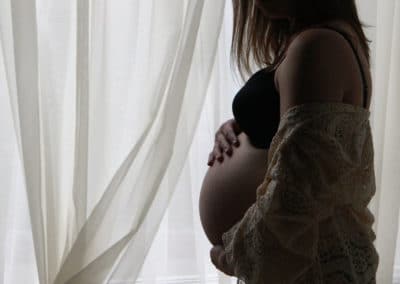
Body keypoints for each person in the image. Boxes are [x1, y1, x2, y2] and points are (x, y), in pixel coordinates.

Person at [208, 0, 379, 283]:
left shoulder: (319, 46)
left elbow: (299, 188)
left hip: (309, 266)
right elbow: (302, 136)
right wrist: (239, 126)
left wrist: (230, 257)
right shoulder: (316, 40)